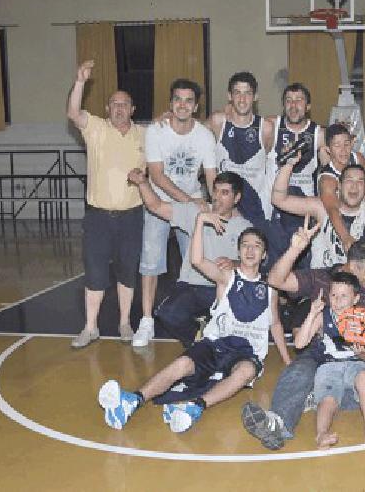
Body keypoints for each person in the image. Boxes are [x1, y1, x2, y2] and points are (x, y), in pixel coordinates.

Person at [97, 216, 289, 434]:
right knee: (182, 364)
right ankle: (131, 401)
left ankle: (195, 408)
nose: (250, 250)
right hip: (215, 344)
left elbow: (275, 323)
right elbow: (197, 260)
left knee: (245, 371)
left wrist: (286, 359)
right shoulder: (227, 277)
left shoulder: (270, 288)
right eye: (245, 245)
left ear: (264, 255)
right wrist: (199, 221)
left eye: (257, 246)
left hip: (246, 352)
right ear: (238, 252)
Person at [241, 223, 365, 450]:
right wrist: (294, 250)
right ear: (352, 267)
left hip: (360, 359)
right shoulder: (322, 278)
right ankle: (279, 423)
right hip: (322, 359)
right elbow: (275, 280)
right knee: (299, 370)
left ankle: (321, 396)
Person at [65, 60, 146, 349]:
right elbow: (73, 112)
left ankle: (125, 322)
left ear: (132, 110)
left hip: (132, 217)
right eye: (114, 104)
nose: (119, 108)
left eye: (124, 104)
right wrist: (80, 81)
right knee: (95, 271)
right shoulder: (96, 129)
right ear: (108, 109)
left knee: (127, 270)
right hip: (98, 217)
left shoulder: (144, 135)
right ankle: (91, 327)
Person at [127, 168, 254, 347]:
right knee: (167, 314)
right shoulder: (196, 212)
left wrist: (235, 262)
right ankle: (198, 342)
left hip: (220, 289)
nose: (217, 197)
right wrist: (143, 184)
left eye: (224, 193)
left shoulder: (244, 227)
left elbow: (255, 263)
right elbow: (156, 206)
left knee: (237, 323)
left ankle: (211, 334)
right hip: (191, 286)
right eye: (215, 191)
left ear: (237, 198)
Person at [134, 78, 219, 347]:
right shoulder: (156, 131)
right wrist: (190, 203)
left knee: (197, 263)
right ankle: (146, 321)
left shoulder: (205, 136)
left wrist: (218, 204)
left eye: (188, 100)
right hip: (160, 204)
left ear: (196, 106)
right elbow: (157, 177)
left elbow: (212, 177)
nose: (183, 105)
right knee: (150, 262)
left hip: (192, 203)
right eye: (178, 100)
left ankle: (204, 321)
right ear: (171, 104)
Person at [272, 147, 365, 273]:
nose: (354, 186)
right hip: (324, 281)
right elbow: (278, 199)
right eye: (349, 180)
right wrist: (288, 165)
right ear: (339, 185)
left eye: (360, 182)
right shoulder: (320, 208)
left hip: (358, 285)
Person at [292, 273, 365, 449]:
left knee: (364, 377)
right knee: (328, 400)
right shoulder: (323, 316)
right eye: (334, 295)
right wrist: (312, 313)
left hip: (355, 363)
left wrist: (362, 352)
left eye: (344, 296)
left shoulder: (364, 319)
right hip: (329, 365)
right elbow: (299, 344)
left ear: (355, 298)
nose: (338, 301)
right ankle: (321, 434)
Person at [207, 72, 277, 238]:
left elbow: (271, 162)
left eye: (247, 93)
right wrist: (167, 118)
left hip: (256, 206)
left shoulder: (266, 128)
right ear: (229, 96)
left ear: (255, 97)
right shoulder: (218, 122)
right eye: (237, 92)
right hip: (224, 204)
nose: (242, 99)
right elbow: (191, 133)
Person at [266, 83, 326, 269]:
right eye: (288, 101)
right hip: (273, 209)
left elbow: (334, 166)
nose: (293, 105)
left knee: (301, 269)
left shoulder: (319, 134)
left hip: (303, 210)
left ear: (308, 106)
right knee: (274, 268)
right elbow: (232, 119)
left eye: (299, 100)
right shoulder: (270, 127)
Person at [316, 123, 365, 257]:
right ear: (328, 150)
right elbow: (332, 209)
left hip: (357, 215)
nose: (343, 150)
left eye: (347, 144)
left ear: (352, 143)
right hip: (333, 222)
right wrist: (346, 237)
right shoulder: (327, 179)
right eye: (337, 145)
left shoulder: (357, 158)